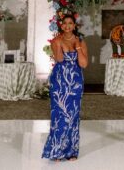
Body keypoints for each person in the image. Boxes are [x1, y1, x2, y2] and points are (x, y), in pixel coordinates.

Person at [41, 14, 87, 161]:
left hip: (75, 82)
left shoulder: (80, 41)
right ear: (61, 26)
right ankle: (56, 150)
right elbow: (59, 59)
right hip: (59, 82)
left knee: (73, 115)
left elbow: (84, 64)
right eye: (65, 23)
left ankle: (72, 151)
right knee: (59, 115)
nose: (67, 26)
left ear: (74, 26)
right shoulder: (56, 40)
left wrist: (78, 48)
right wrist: (60, 45)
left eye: (70, 23)